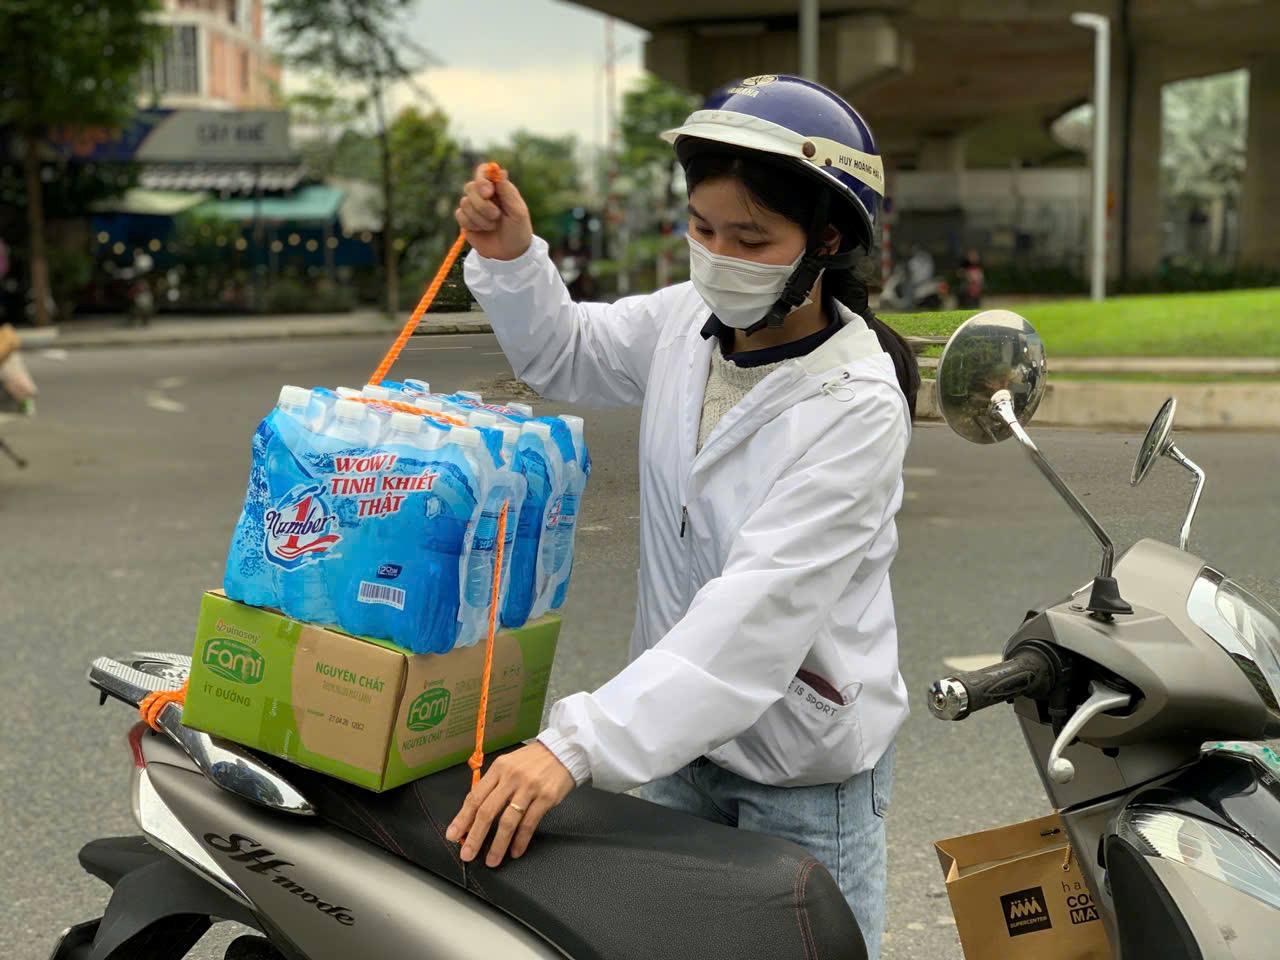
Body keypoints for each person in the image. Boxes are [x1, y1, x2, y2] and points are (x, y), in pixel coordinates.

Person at [447, 75, 918, 959]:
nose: (719, 256)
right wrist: (512, 259)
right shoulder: (683, 322)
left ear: (825, 241)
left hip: (800, 777)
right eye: (703, 229)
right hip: (677, 753)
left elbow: (756, 616)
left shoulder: (855, 404)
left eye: (751, 238)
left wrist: (575, 747)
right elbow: (565, 351)